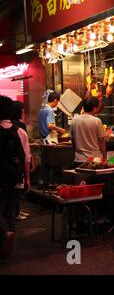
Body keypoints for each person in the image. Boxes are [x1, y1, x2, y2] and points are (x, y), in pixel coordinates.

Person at [0, 95, 31, 260]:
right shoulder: (20, 131)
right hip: (15, 179)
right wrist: (27, 180)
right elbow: (27, 158)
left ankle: (2, 237)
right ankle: (8, 242)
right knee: (10, 213)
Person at [70, 97, 107, 167]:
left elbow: (72, 139)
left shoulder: (74, 119)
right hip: (95, 160)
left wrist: (76, 152)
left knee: (81, 177)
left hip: (79, 159)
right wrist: (105, 158)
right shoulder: (97, 121)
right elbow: (102, 141)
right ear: (94, 108)